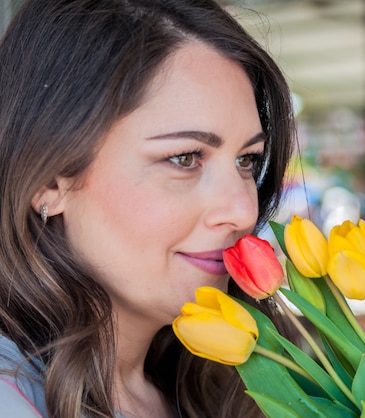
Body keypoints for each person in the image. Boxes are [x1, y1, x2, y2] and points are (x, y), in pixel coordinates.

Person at [0, 0, 295, 417]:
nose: (244, 212)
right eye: (185, 158)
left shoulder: (225, 385)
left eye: (247, 160)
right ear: (49, 181)